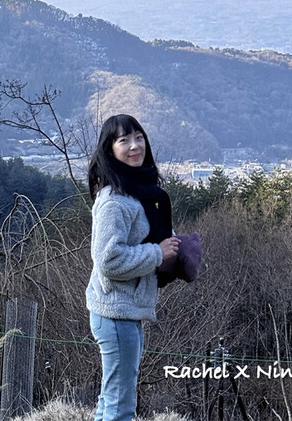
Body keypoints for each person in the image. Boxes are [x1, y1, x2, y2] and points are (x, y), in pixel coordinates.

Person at [86, 114, 180, 421]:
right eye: (123, 140)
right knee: (120, 406)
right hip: (115, 313)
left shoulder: (137, 192)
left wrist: (173, 246)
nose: (134, 146)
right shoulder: (114, 201)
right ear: (109, 149)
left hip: (123, 310)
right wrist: (157, 252)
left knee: (112, 399)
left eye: (138, 137)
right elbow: (108, 261)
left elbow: (144, 235)